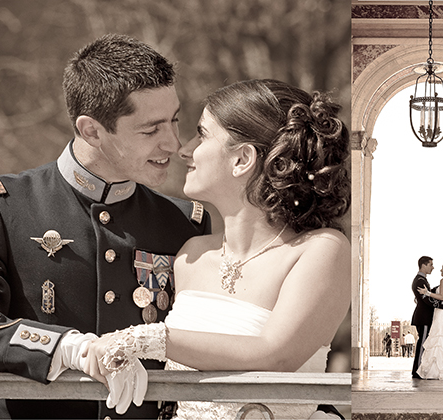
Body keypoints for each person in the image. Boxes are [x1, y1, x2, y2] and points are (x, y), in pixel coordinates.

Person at [0, 33, 210, 419]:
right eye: (151, 129)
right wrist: (65, 348)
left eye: (175, 121)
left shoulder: (187, 223)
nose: (174, 143)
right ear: (91, 130)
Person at [82, 79, 351, 420]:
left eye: (202, 134)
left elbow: (276, 353)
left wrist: (146, 340)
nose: (184, 150)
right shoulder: (190, 256)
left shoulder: (320, 250)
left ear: (242, 159)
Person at [411, 256, 443, 378]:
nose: (433, 267)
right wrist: (441, 305)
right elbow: (426, 300)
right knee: (423, 344)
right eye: (431, 265)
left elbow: (427, 295)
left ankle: (419, 369)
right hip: (424, 317)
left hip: (424, 316)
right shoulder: (420, 281)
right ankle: (417, 371)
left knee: (424, 342)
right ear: (423, 265)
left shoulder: (422, 280)